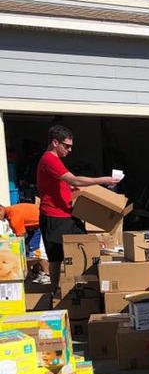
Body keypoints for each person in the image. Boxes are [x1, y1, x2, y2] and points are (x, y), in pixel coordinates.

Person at [37, 125, 120, 293]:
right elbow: (74, 180)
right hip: (55, 215)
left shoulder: (54, 161)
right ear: (55, 143)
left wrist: (71, 191)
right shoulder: (49, 159)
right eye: (66, 146)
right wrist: (103, 179)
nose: (70, 150)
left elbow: (63, 184)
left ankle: (80, 289)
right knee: (60, 255)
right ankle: (60, 292)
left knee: (78, 249)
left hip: (64, 214)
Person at [0, 201, 50, 283]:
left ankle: (48, 274)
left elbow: (20, 235)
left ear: (1, 209)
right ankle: (36, 272)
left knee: (36, 252)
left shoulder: (13, 215)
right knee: (30, 250)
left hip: (40, 223)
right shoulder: (11, 212)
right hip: (34, 226)